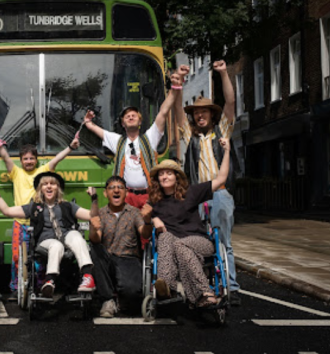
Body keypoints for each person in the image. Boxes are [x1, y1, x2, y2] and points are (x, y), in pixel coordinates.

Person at [173, 60, 241, 306]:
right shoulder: (189, 136)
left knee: (224, 242)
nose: (199, 115)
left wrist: (223, 73)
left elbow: (231, 104)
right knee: (196, 242)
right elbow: (178, 112)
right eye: (196, 113)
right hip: (195, 195)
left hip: (220, 193)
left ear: (213, 115)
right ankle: (202, 287)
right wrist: (178, 83)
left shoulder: (222, 132)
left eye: (204, 112)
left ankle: (231, 287)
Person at [141, 137, 230, 308]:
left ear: (176, 176)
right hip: (175, 246)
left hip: (199, 241)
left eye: (168, 173)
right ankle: (167, 287)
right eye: (161, 173)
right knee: (165, 238)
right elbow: (144, 220)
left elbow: (221, 179)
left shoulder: (192, 192)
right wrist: (152, 218)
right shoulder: (154, 200)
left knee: (180, 246)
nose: (164, 176)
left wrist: (227, 151)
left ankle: (204, 292)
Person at [0, 133, 80, 299]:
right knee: (17, 256)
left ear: (36, 160)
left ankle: (40, 286)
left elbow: (56, 159)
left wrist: (71, 148)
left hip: (38, 222)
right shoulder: (16, 172)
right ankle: (16, 288)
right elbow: (5, 157)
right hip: (20, 222)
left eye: (32, 158)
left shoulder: (43, 172)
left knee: (38, 257)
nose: (29, 161)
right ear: (21, 161)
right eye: (25, 159)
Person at [0, 171, 98, 297]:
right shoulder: (34, 207)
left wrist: (94, 199)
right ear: (40, 189)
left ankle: (87, 276)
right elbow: (7, 211)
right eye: (45, 184)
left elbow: (92, 216)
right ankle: (50, 279)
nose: (49, 186)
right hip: (46, 241)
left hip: (67, 236)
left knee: (76, 236)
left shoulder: (68, 206)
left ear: (58, 188)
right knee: (56, 245)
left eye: (53, 183)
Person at [83, 79, 181, 209]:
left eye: (134, 115)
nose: (130, 117)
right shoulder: (118, 141)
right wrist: (88, 122)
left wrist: (175, 88)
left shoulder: (150, 138)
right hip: (126, 196)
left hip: (149, 195)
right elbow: (95, 129)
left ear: (140, 122)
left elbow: (163, 112)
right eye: (127, 116)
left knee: (150, 226)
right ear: (123, 124)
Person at [89, 176, 153, 318]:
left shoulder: (134, 212)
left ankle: (121, 297)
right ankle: (108, 300)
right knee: (94, 248)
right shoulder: (101, 213)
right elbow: (96, 239)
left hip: (128, 259)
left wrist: (148, 222)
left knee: (132, 293)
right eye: (112, 188)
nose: (116, 190)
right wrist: (93, 229)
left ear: (126, 193)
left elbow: (145, 233)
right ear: (106, 193)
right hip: (107, 259)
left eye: (120, 188)